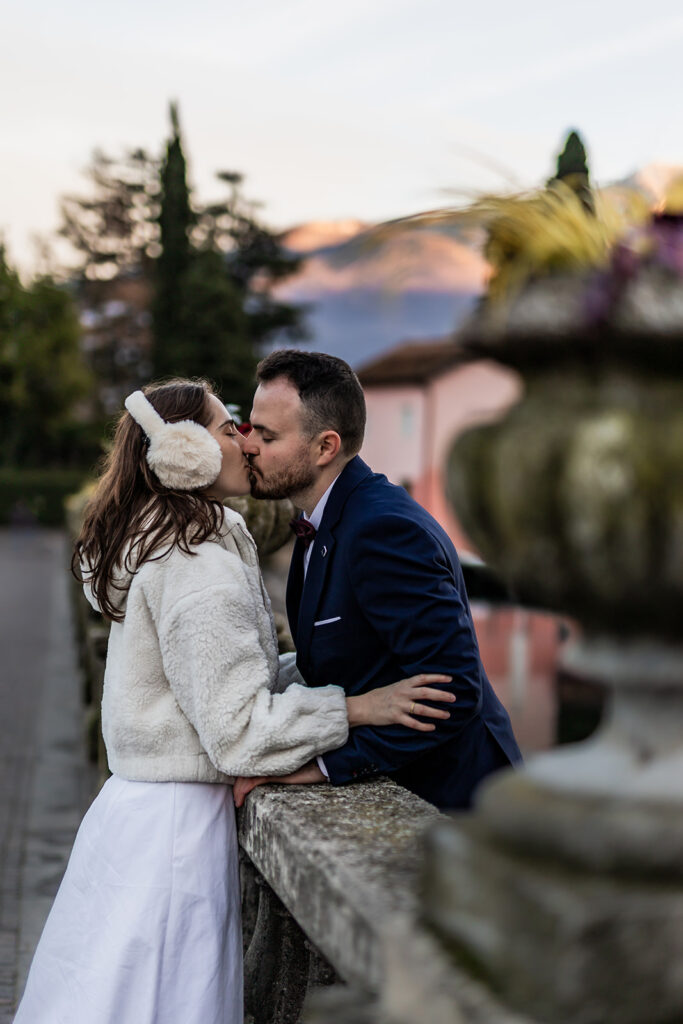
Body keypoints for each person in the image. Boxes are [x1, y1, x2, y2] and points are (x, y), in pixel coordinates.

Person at [14, 378, 454, 1024]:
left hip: (136, 817)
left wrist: (322, 671)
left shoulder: (185, 539)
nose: (243, 439)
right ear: (182, 455)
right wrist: (355, 708)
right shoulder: (197, 566)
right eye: (228, 428)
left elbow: (220, 680)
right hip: (174, 834)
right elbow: (236, 731)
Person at [234, 350, 522, 812]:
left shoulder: (382, 531)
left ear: (325, 447)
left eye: (267, 436)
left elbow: (453, 690)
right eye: (250, 429)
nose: (248, 445)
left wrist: (324, 767)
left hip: (456, 806)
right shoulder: (326, 519)